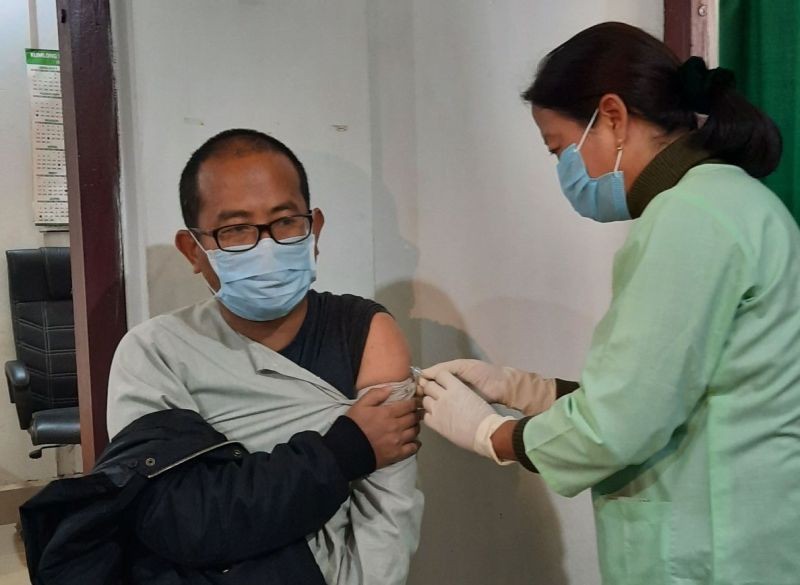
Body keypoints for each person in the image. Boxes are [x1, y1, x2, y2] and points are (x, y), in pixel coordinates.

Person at [418, 22, 800, 585]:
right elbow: (677, 389)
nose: (567, 172)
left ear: (614, 117)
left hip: (711, 554)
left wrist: (491, 435)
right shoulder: (733, 201)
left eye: (561, 148)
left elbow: (623, 423)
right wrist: (527, 391)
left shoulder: (688, 217)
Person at [21, 129, 423, 585]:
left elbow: (388, 514)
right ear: (194, 250)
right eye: (235, 230)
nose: (267, 245)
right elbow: (177, 518)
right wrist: (343, 451)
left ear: (315, 228)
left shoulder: (366, 332)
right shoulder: (156, 352)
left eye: (286, 220)